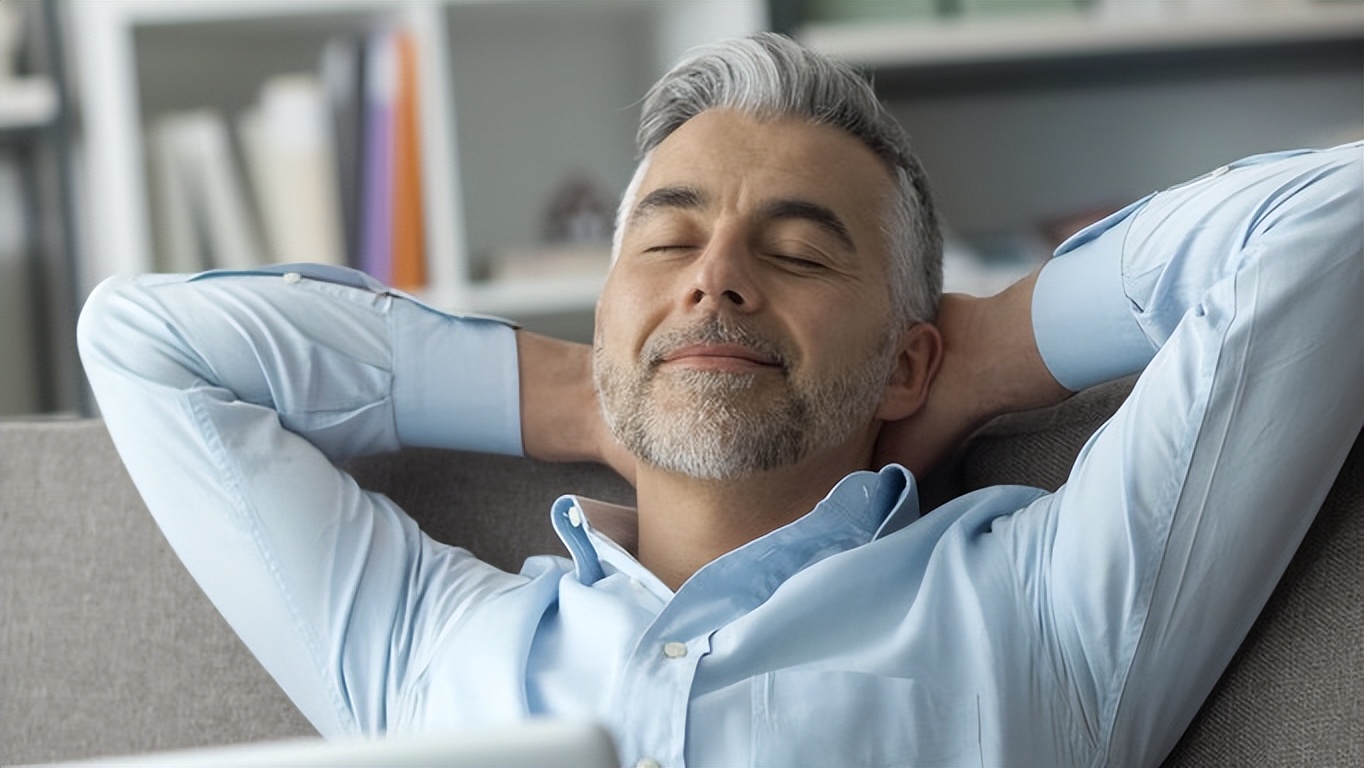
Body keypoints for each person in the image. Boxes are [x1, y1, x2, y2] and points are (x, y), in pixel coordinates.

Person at [78, 33, 1360, 767]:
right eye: (665, 246)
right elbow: (144, 343)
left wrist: (989, 348)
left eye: (798, 253)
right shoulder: (426, 651)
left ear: (905, 358)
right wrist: (577, 393)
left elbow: (1328, 225)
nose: (718, 282)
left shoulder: (1039, 605)